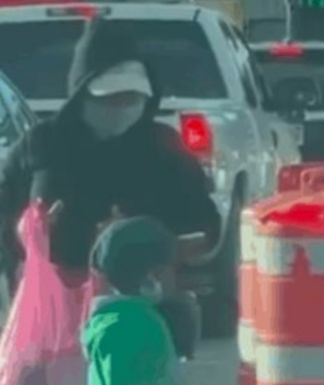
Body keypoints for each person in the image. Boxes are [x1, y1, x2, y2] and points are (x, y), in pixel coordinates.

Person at [0, 17, 220, 292]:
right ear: (82, 95)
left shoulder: (163, 147)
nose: (122, 107)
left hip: (146, 300)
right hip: (55, 301)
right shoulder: (41, 145)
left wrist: (149, 240)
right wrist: (33, 235)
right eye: (110, 99)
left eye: (132, 98)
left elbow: (205, 225)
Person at [82, 216, 212, 385]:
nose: (177, 278)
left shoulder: (122, 317)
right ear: (151, 276)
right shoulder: (130, 325)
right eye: (171, 269)